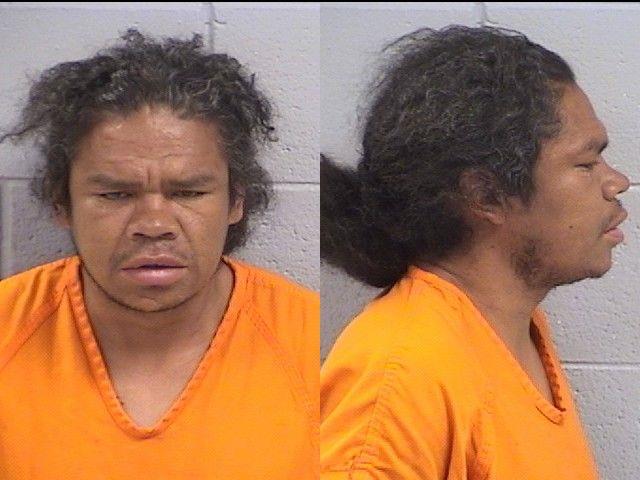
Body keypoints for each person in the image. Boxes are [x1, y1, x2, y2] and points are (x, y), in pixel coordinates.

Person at [0, 29, 318, 479]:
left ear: (236, 201)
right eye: (115, 194)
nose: (153, 225)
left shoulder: (315, 347)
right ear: (61, 204)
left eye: (188, 192)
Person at [321, 25, 628, 479]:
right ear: (485, 195)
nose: (616, 182)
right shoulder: (402, 380)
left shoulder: (511, 327)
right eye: (585, 163)